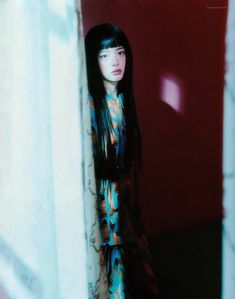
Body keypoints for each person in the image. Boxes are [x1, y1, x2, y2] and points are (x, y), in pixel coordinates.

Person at [85, 23, 160, 299]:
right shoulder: (91, 106)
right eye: (104, 55)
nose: (115, 61)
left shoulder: (122, 98)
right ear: (93, 60)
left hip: (124, 195)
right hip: (104, 198)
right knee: (112, 259)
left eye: (120, 52)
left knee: (136, 261)